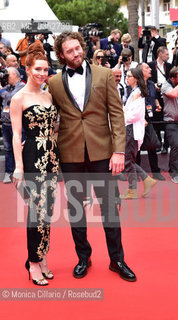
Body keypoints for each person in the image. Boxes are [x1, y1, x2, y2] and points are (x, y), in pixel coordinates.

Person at [48, 31, 136, 282]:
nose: (76, 53)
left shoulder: (104, 74)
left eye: (78, 48)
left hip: (102, 152)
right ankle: (83, 257)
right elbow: (51, 117)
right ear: (61, 55)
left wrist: (119, 150)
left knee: (109, 207)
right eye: (70, 51)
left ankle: (117, 259)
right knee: (76, 209)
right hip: (70, 153)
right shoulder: (54, 83)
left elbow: (116, 115)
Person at [10, 42, 59, 286]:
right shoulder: (19, 98)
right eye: (38, 69)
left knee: (47, 210)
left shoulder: (48, 94)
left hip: (51, 157)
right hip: (32, 157)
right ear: (27, 69)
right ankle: (33, 262)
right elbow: (16, 134)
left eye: (45, 69)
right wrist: (18, 167)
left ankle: (42, 256)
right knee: (36, 211)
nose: (42, 73)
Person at [120, 68, 157, 199]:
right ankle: (146, 180)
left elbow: (134, 114)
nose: (127, 78)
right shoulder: (135, 92)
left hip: (131, 130)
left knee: (128, 160)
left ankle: (133, 190)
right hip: (130, 129)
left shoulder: (137, 93)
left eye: (129, 76)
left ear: (135, 78)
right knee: (128, 160)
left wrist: (121, 116)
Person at [137, 62, 166, 181]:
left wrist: (157, 105)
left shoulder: (151, 84)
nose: (150, 69)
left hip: (151, 118)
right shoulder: (135, 85)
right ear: (140, 71)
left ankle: (156, 171)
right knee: (137, 147)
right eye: (147, 68)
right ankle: (137, 173)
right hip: (138, 119)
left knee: (152, 145)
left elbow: (154, 98)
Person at [0, 68, 25, 183]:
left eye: (8, 75)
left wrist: (2, 89)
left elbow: (11, 97)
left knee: (20, 148)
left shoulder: (22, 86)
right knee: (8, 149)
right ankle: (8, 172)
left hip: (18, 124)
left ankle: (23, 171)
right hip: (5, 123)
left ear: (15, 74)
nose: (6, 77)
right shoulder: (7, 87)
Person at [148, 46, 173, 154]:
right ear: (160, 54)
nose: (168, 56)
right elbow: (148, 80)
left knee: (167, 120)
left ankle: (166, 146)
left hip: (167, 95)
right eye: (166, 54)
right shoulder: (150, 66)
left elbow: (172, 79)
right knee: (155, 120)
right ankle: (158, 142)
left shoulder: (169, 66)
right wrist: (154, 86)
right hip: (155, 95)